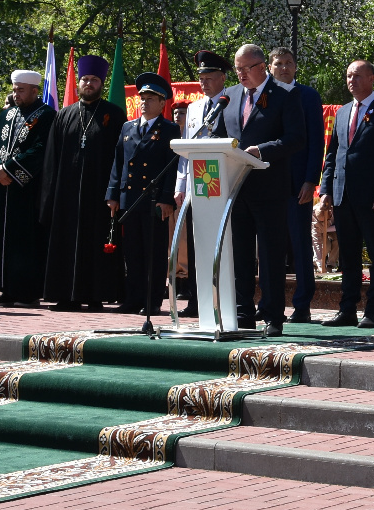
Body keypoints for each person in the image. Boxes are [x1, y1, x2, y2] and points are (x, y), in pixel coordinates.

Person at [213, 44, 306, 336]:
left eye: (245, 68)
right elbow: (218, 134)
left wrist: (262, 151)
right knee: (240, 255)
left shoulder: (283, 97)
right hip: (235, 188)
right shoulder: (230, 96)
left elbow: (296, 139)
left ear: (261, 66)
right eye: (237, 69)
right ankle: (243, 312)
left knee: (270, 254)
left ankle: (272, 315)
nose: (240, 74)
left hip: (269, 189)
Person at [316, 59, 374, 328]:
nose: (351, 80)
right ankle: (347, 309)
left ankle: (372, 311)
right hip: (343, 196)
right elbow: (333, 155)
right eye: (348, 76)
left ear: (371, 78)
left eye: (357, 75)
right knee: (349, 256)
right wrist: (326, 189)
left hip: (372, 198)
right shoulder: (342, 113)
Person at [41, 55, 126, 311]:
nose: (89, 84)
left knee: (96, 243)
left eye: (94, 80)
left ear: (102, 84)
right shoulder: (64, 115)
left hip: (99, 193)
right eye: (85, 79)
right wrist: (50, 195)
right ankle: (66, 296)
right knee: (65, 243)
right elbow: (51, 158)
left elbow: (120, 156)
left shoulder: (114, 114)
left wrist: (115, 192)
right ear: (78, 83)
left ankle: (96, 295)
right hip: (66, 194)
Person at [106, 72, 180, 316]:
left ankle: (152, 300)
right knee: (133, 252)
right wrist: (113, 194)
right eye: (142, 98)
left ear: (162, 103)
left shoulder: (169, 129)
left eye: (150, 99)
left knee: (154, 252)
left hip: (154, 200)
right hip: (129, 198)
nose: (144, 103)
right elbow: (118, 162)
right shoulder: (128, 127)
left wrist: (167, 198)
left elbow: (173, 167)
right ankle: (133, 297)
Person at [0, 70, 54, 308]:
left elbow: (40, 149)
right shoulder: (5, 115)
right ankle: (5, 288)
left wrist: (11, 170)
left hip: (28, 189)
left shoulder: (46, 116)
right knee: (2, 240)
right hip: (2, 189)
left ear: (35, 91)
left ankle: (27, 292)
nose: (16, 94)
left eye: (21, 90)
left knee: (25, 241)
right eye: (14, 90)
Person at [173, 49, 232, 317]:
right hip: (199, 184)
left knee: (223, 243)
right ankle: (197, 300)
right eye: (201, 77)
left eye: (209, 76)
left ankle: (226, 298)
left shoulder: (231, 103)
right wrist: (180, 186)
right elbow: (187, 151)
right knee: (198, 242)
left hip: (224, 183)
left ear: (222, 78)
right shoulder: (195, 108)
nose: (204, 82)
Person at [269, 46, 324, 324]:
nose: (284, 68)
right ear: (270, 67)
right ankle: (269, 304)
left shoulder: (308, 96)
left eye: (289, 63)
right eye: (278, 63)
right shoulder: (261, 96)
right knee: (269, 247)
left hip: (296, 184)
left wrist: (310, 180)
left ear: (296, 67)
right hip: (266, 183)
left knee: (300, 245)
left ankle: (302, 304)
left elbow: (316, 140)